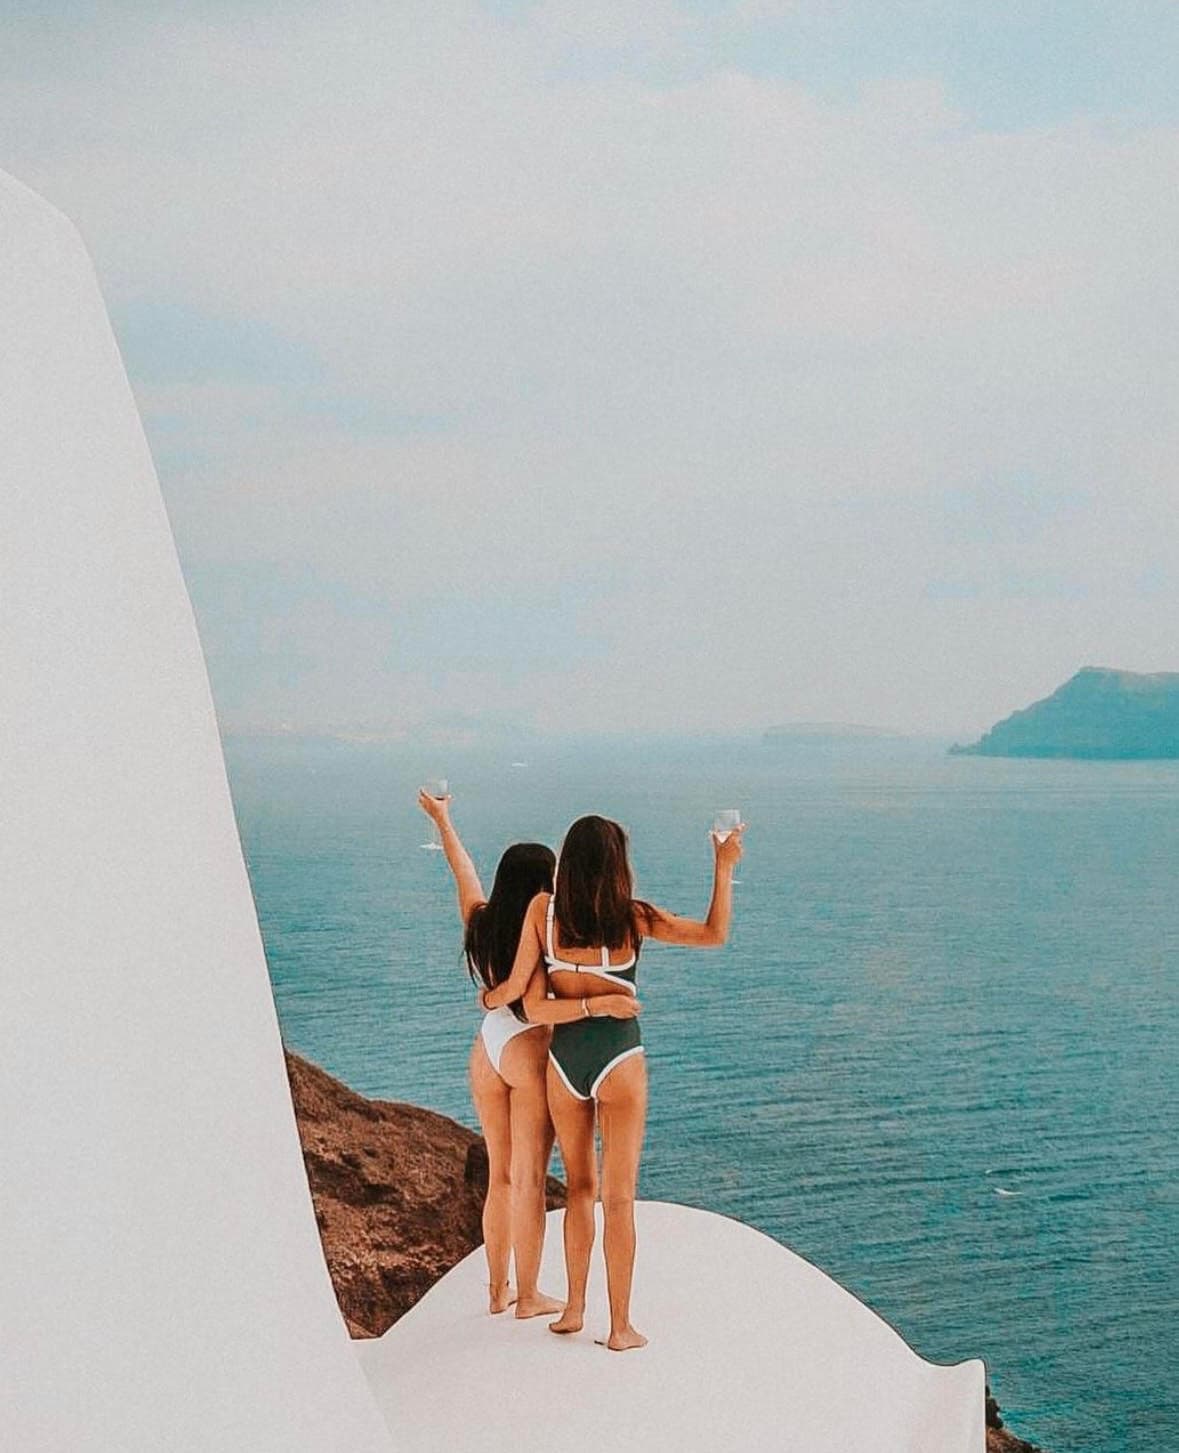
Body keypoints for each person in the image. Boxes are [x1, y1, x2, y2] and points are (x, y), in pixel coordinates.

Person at [484, 813, 743, 1350]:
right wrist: (723, 866)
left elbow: (532, 1005)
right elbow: (714, 934)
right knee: (619, 1198)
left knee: (580, 1190)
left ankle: (574, 1309)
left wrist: (556, 1003)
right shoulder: (632, 918)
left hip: (563, 1062)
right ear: (617, 865)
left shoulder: (542, 912)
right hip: (620, 1059)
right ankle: (620, 1327)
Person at [417, 791, 641, 1317]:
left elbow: (461, 869)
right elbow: (533, 999)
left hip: (487, 1044)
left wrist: (444, 819)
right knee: (530, 1179)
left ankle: (497, 1290)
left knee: (499, 1174)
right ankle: (530, 1294)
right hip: (526, 1046)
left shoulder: (480, 919)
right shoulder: (541, 931)